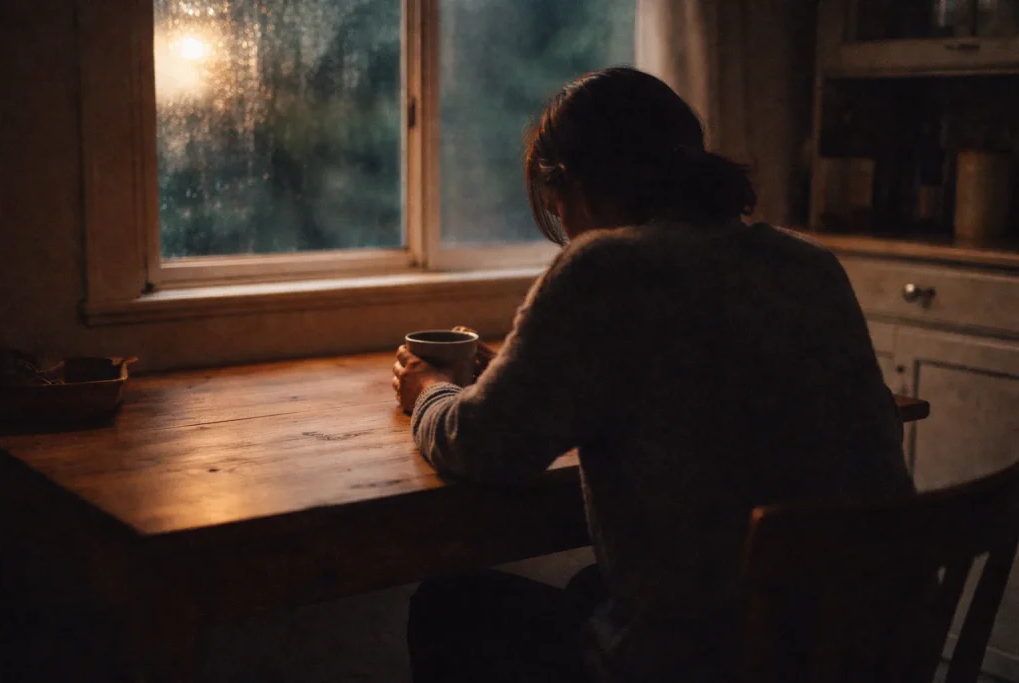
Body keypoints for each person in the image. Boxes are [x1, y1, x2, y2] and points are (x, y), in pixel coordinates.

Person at [391, 67, 913, 683]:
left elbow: (481, 445)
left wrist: (429, 391)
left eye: (557, 210)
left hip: (722, 662)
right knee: (593, 586)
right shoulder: (808, 264)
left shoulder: (606, 266)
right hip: (867, 647)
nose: (565, 230)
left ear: (577, 187)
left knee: (448, 607)